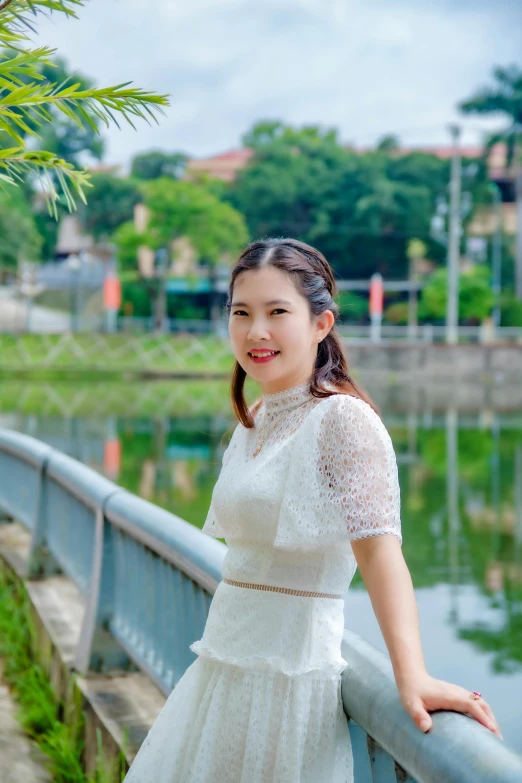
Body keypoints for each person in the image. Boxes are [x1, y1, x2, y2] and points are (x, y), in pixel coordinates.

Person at [123, 237, 502, 782]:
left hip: (289, 685)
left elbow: (380, 553)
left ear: (321, 324)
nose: (257, 331)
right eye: (242, 313)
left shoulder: (342, 420)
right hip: (221, 675)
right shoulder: (256, 418)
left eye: (278, 312)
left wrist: (411, 673)